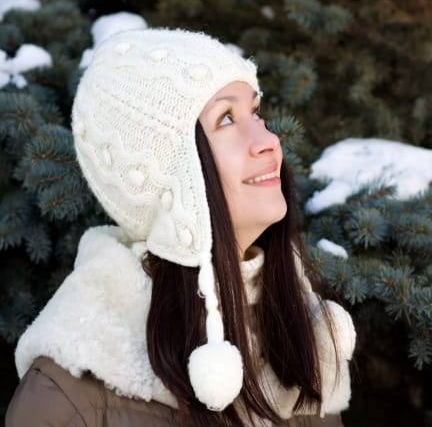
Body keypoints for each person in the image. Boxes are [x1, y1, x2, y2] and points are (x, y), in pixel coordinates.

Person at [6, 28, 355, 426]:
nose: (269, 140)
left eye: (255, 113)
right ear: (171, 178)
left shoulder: (301, 347)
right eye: (226, 118)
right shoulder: (67, 395)